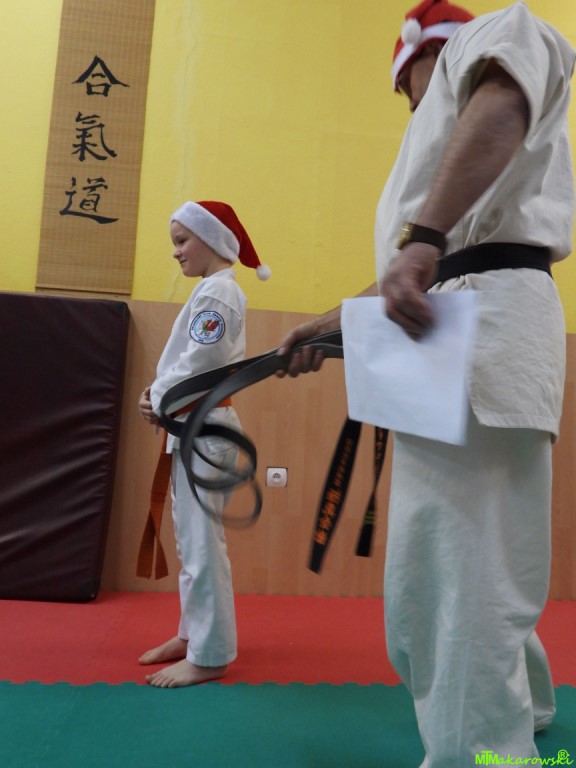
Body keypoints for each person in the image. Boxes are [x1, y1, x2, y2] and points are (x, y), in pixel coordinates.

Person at [278, 1, 575, 764]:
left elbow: (503, 95)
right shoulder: (443, 164)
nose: (407, 103)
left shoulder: (492, 38)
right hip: (456, 323)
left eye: (403, 86)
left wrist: (423, 240)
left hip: (479, 324)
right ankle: (527, 709)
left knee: (455, 579)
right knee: (467, 562)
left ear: (418, 56)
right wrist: (334, 323)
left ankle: (486, 754)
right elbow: (419, 267)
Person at [138, 200, 270, 688]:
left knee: (202, 547)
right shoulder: (212, 290)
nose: (176, 252)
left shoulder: (220, 292)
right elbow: (190, 361)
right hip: (194, 429)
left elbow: (202, 361)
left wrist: (157, 397)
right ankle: (193, 634)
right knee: (190, 542)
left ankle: (210, 654)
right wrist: (157, 396)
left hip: (205, 431)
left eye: (182, 240)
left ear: (212, 240)